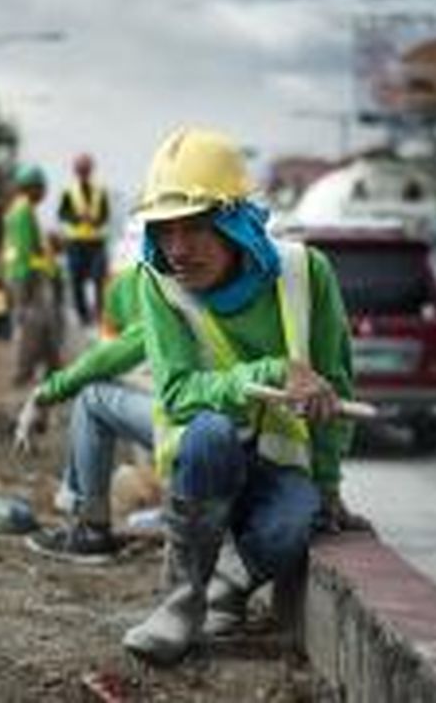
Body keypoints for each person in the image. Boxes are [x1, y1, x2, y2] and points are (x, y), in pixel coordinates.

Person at [120, 126, 363, 666]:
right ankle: (180, 604)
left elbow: (337, 384)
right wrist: (277, 371)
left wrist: (327, 484)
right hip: (203, 470)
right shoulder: (157, 283)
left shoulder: (305, 273)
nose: (177, 250)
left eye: (196, 229)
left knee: (297, 522)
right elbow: (180, 393)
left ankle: (226, 588)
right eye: (164, 231)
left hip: (276, 469)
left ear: (235, 224)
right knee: (209, 431)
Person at [14, 264, 151, 562]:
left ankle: (91, 529)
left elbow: (109, 355)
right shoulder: (249, 263)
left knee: (93, 397)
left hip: (209, 422)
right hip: (248, 418)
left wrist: (43, 394)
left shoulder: (159, 278)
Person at [1, 163, 62, 387]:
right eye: (41, 187)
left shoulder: (16, 210)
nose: (44, 192)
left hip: (18, 275)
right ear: (32, 188)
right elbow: (27, 251)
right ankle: (22, 372)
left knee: (41, 323)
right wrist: (43, 271)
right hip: (26, 277)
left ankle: (52, 366)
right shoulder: (24, 211)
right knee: (30, 325)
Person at [58, 153, 110, 328]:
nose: (84, 172)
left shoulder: (100, 191)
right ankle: (83, 316)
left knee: (99, 277)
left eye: (86, 168)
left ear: (91, 170)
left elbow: (105, 214)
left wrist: (96, 221)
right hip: (76, 241)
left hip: (96, 241)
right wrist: (77, 218)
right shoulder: (68, 192)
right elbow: (62, 214)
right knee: (76, 280)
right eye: (80, 169)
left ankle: (99, 312)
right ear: (76, 171)